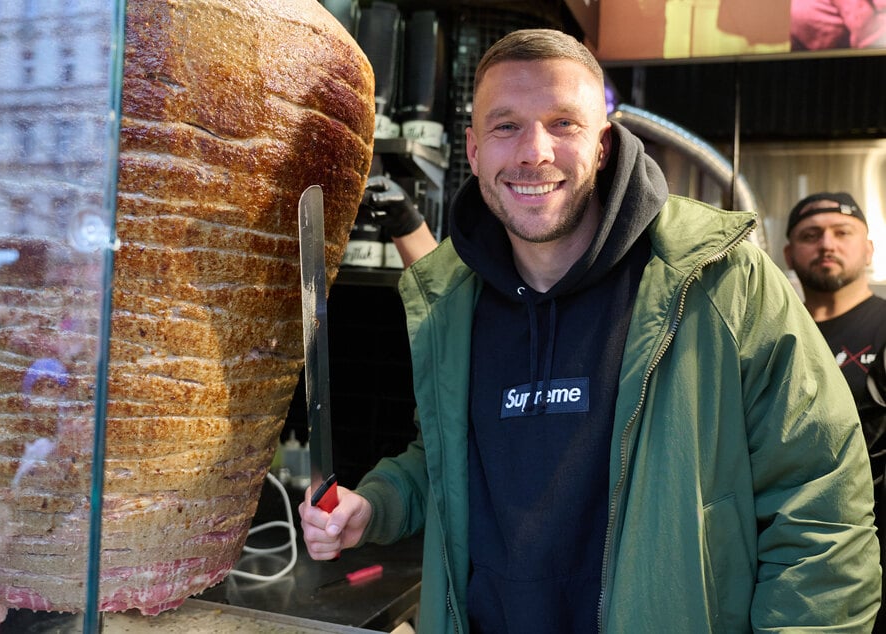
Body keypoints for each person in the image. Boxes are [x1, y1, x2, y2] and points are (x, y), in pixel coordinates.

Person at [300, 28, 881, 632]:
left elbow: (823, 508)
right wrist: (378, 504)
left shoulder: (719, 280)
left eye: (563, 124)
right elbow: (446, 457)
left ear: (604, 144)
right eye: (506, 126)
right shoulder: (451, 300)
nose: (533, 151)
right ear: (472, 151)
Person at [784, 191, 886, 630]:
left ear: (868, 247)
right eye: (811, 235)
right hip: (791, 556)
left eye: (842, 232)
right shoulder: (774, 334)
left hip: (873, 549)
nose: (827, 243)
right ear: (788, 253)